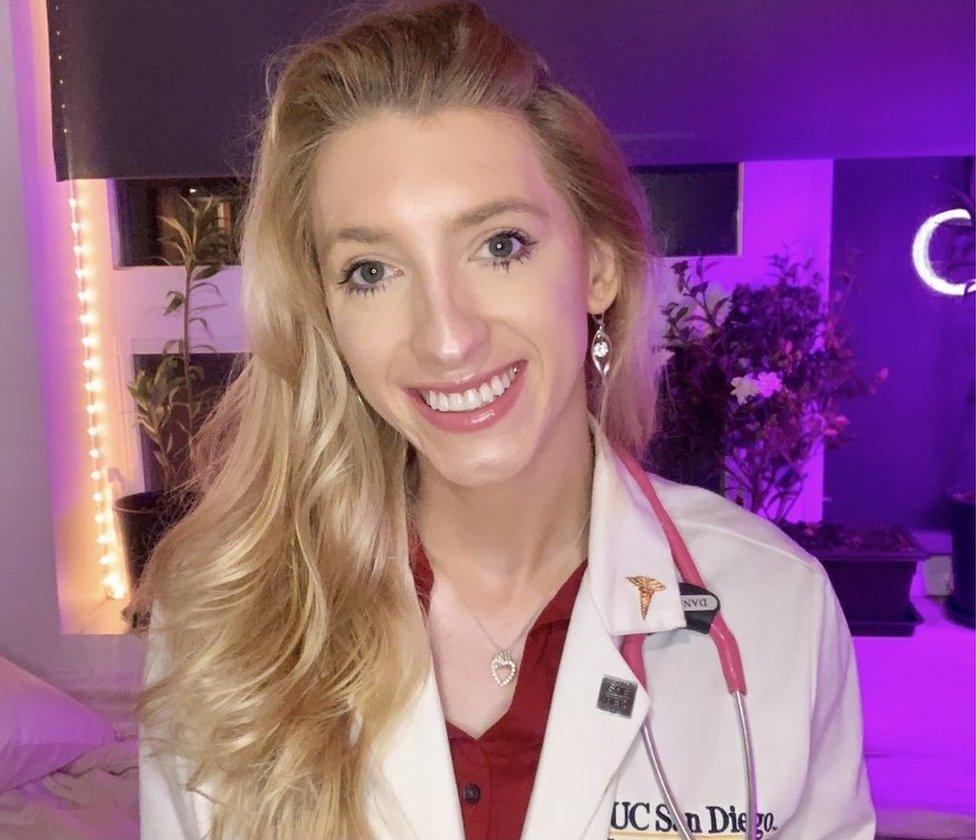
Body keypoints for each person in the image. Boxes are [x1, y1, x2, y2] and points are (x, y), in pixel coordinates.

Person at [133, 2, 877, 838]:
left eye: (501, 246)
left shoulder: (775, 606)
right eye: (372, 270)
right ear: (326, 315)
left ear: (598, 267)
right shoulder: (220, 617)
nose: (448, 338)